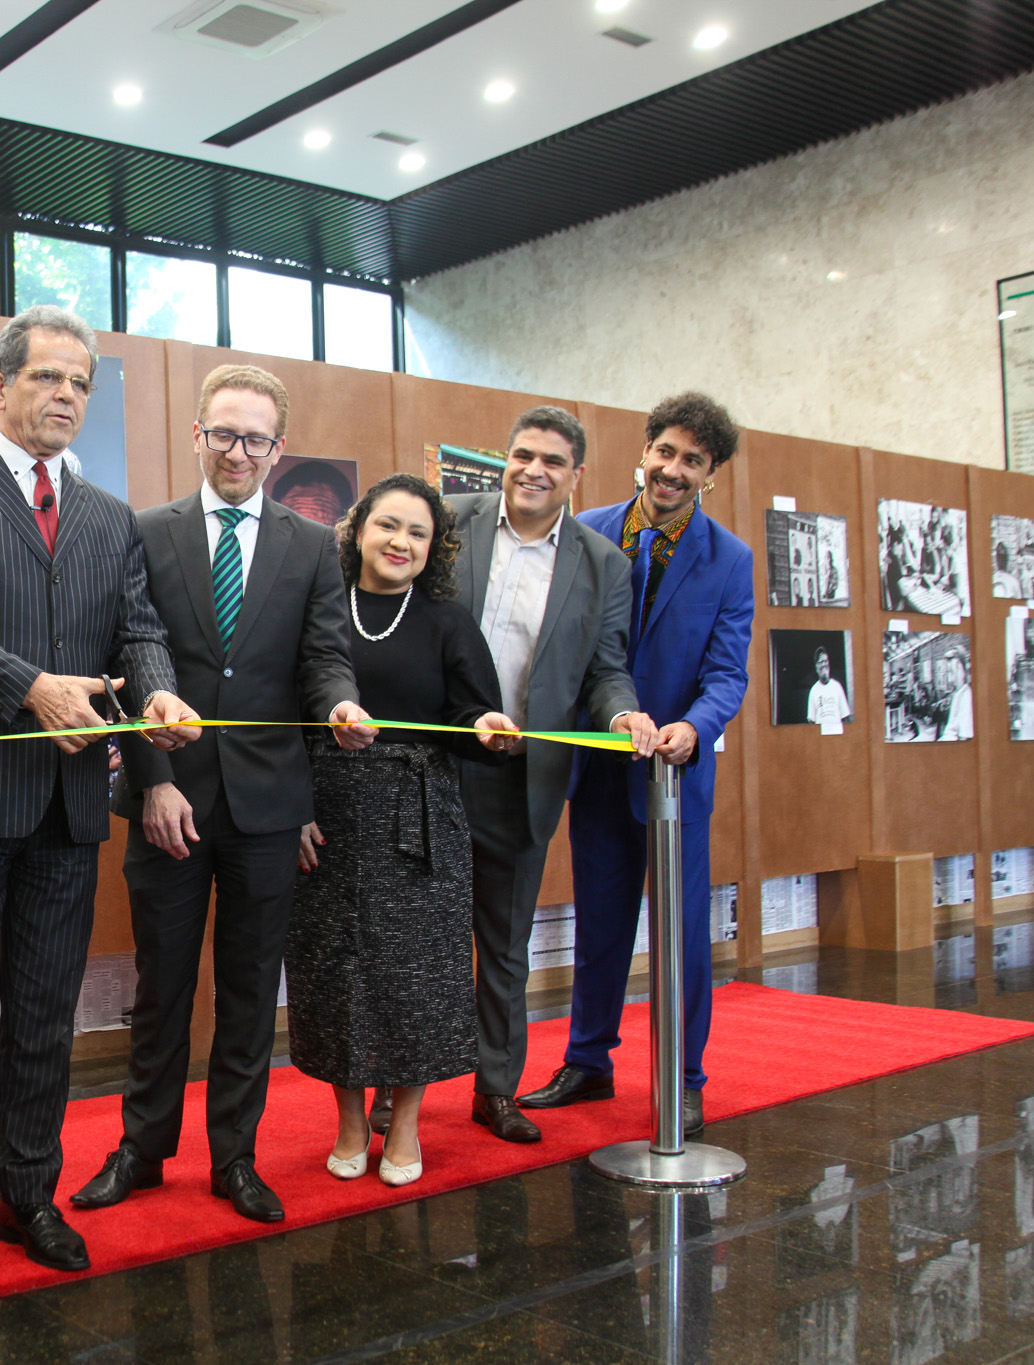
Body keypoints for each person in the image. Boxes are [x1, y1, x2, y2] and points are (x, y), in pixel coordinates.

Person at [0, 305, 200, 1291]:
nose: (63, 397)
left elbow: (136, 629)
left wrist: (150, 687)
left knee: (44, 1014)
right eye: (45, 378)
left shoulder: (107, 516)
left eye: (77, 384)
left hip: (65, 809)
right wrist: (30, 686)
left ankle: (29, 1197)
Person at [69, 365, 373, 1224]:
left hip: (270, 808)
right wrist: (152, 778)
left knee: (248, 990)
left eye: (257, 438)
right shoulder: (147, 531)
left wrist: (340, 702)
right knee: (160, 988)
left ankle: (234, 1157)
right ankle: (142, 1147)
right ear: (197, 434)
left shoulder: (313, 545)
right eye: (224, 433)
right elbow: (126, 660)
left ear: (279, 450)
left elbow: (321, 659)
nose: (239, 451)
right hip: (169, 803)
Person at [520, 393, 754, 1137]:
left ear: (709, 475)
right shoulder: (585, 534)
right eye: (666, 453)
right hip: (596, 766)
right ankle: (588, 1061)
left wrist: (696, 726)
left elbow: (728, 675)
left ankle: (684, 1077)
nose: (674, 470)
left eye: (693, 461)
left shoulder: (731, 561)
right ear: (644, 451)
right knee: (601, 924)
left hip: (675, 779)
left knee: (681, 932)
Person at [287, 475, 519, 1187]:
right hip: (328, 814)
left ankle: (408, 1123)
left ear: (434, 546)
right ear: (357, 529)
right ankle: (352, 1120)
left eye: (418, 532)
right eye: (388, 525)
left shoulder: (448, 620)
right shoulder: (318, 608)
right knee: (337, 970)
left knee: (420, 976)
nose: (401, 542)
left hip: (423, 818)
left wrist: (486, 727)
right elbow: (284, 712)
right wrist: (292, 808)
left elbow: (477, 721)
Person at [444, 406, 651, 1145]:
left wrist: (623, 716)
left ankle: (495, 1089)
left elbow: (606, 671)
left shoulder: (604, 564)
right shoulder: (446, 521)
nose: (534, 470)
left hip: (522, 777)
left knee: (504, 945)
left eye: (552, 461)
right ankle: (393, 1094)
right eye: (523, 455)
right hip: (431, 769)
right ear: (504, 458)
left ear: (577, 476)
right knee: (416, 938)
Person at [805, 647, 851, 726]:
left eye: (825, 661)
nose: (824, 664)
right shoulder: (813, 690)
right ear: (816, 668)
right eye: (820, 662)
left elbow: (845, 717)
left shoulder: (837, 686)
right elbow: (811, 722)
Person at [939, 651, 974, 740]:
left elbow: (964, 738)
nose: (951, 679)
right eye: (949, 673)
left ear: (965, 670)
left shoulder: (968, 697)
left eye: (953, 672)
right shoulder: (959, 694)